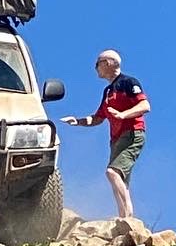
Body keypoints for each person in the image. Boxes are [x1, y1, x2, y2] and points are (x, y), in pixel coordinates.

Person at [63, 49, 150, 219]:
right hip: (116, 139)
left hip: (132, 133)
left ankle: (128, 215)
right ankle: (124, 218)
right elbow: (98, 118)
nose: (96, 68)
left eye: (98, 64)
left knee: (112, 172)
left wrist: (122, 114)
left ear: (108, 63)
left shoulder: (128, 82)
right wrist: (78, 121)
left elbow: (145, 105)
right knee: (119, 179)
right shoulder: (108, 91)